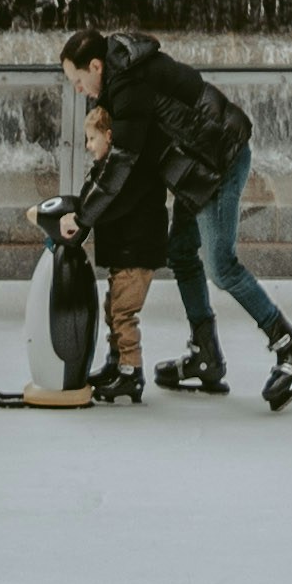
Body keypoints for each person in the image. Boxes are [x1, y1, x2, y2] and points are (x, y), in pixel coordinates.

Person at [60, 16, 292, 411]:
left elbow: (120, 164)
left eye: (77, 79)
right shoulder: (124, 77)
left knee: (222, 266)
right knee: (182, 253)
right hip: (194, 168)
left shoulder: (129, 85)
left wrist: (83, 218)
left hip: (217, 161)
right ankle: (206, 356)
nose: (77, 89)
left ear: (96, 66)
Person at [39, 91, 168, 408]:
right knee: (114, 310)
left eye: (91, 139)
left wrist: (82, 216)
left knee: (123, 314)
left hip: (135, 258)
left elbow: (105, 205)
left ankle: (130, 371)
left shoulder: (122, 172)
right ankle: (115, 363)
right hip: (125, 257)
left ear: (109, 136)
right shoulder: (111, 169)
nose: (87, 146)